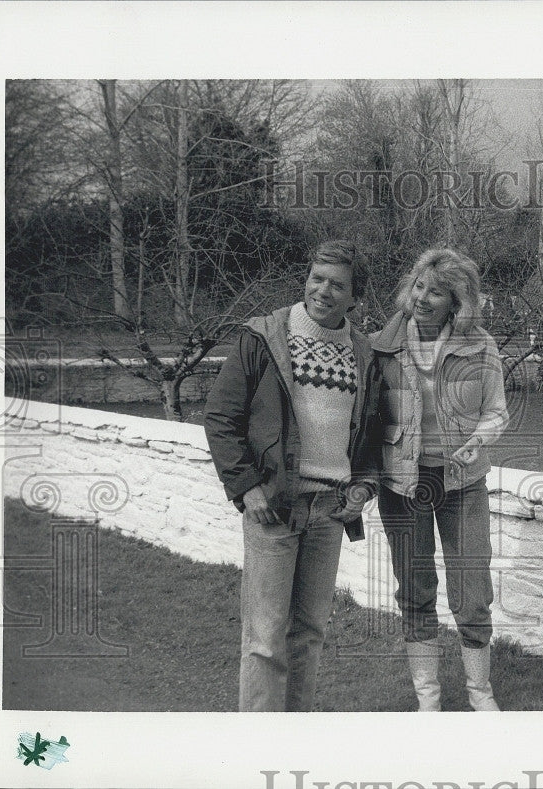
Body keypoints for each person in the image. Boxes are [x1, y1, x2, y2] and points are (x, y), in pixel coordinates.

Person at [204, 240, 379, 712]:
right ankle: (260, 751)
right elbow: (221, 417)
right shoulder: (262, 337)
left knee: (309, 633)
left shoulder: (363, 353)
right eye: (317, 278)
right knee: (265, 637)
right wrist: (245, 485)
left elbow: (371, 433)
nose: (323, 290)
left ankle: (294, 741)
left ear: (354, 296)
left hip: (329, 512)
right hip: (274, 507)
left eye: (337, 285)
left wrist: (362, 487)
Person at [371, 248, 509, 711]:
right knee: (415, 586)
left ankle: (479, 693)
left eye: (438, 291)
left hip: (462, 481)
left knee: (472, 591)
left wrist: (476, 442)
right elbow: (364, 420)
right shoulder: (381, 346)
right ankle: (428, 698)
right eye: (419, 287)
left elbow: (495, 413)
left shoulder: (481, 345)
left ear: (457, 302)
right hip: (403, 484)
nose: (424, 298)